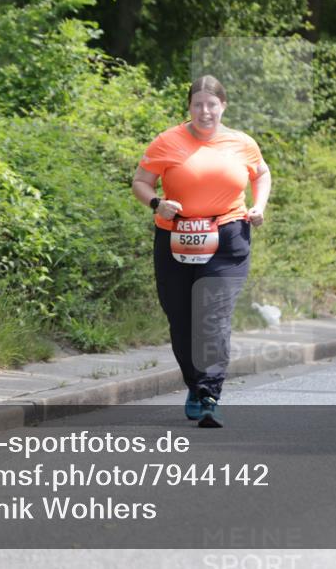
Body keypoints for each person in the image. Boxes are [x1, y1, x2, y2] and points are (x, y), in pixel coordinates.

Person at [132, 76, 271, 427]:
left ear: (223, 106)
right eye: (198, 104)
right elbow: (141, 181)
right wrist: (156, 203)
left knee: (211, 314)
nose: (205, 111)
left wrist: (259, 206)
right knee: (181, 317)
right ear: (189, 107)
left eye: (212, 104)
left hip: (228, 235)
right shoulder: (167, 141)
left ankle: (210, 392)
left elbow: (262, 174)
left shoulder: (242, 143)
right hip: (175, 236)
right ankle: (194, 385)